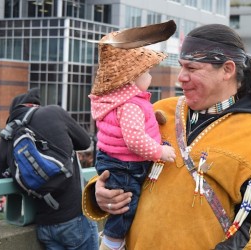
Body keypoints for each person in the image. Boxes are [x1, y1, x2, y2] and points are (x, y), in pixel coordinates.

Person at [82, 24, 251, 249]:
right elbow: (118, 158)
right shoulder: (159, 111)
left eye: (191, 68)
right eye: (180, 67)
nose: (181, 78)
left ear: (227, 70)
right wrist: (100, 193)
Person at [89, 22, 176, 250]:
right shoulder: (131, 106)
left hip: (113, 160)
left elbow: (133, 126)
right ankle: (112, 241)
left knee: (123, 199)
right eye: (146, 72)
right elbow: (135, 139)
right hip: (126, 166)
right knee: (127, 204)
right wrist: (160, 151)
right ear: (132, 78)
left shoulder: (121, 102)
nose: (149, 76)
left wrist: (154, 117)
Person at [0, 88, 99, 250]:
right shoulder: (53, 113)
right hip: (75, 217)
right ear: (35, 105)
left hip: (44, 226)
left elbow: (0, 181)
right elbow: (85, 142)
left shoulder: (7, 137)